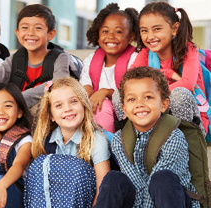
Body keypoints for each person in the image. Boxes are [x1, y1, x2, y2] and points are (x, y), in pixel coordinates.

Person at [94, 66, 200, 208]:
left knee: (162, 178)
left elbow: (158, 186)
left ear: (164, 104)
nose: (139, 104)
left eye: (148, 97)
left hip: (172, 199)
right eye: (132, 99)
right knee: (113, 178)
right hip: (138, 199)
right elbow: (135, 183)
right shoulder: (120, 140)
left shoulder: (174, 136)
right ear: (124, 109)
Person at [114, 1, 207, 134]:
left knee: (178, 94)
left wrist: (152, 96)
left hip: (188, 120)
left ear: (174, 29)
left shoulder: (188, 50)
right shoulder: (146, 53)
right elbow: (128, 81)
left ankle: (183, 142)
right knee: (119, 94)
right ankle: (136, 135)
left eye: (157, 29)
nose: (150, 36)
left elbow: (187, 83)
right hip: (156, 113)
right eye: (144, 31)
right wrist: (167, 73)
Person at [0, 4, 80, 115]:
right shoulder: (16, 58)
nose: (30, 33)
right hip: (12, 109)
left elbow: (58, 83)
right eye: (24, 28)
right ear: (17, 33)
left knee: (42, 104)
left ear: (50, 34)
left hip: (38, 113)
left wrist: (19, 98)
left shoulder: (60, 57)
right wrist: (6, 96)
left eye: (38, 28)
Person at [30, 77, 111, 206]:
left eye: (73, 101)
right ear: (51, 115)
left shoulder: (96, 140)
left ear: (84, 105)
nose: (67, 108)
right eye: (58, 105)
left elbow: (103, 189)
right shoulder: (46, 142)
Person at [80, 3, 138, 133]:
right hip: (94, 111)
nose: (111, 36)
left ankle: (107, 146)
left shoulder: (135, 59)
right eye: (105, 31)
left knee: (103, 105)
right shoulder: (91, 60)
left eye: (118, 31)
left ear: (131, 37)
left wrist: (105, 92)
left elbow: (133, 91)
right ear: (98, 34)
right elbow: (86, 85)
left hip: (126, 115)